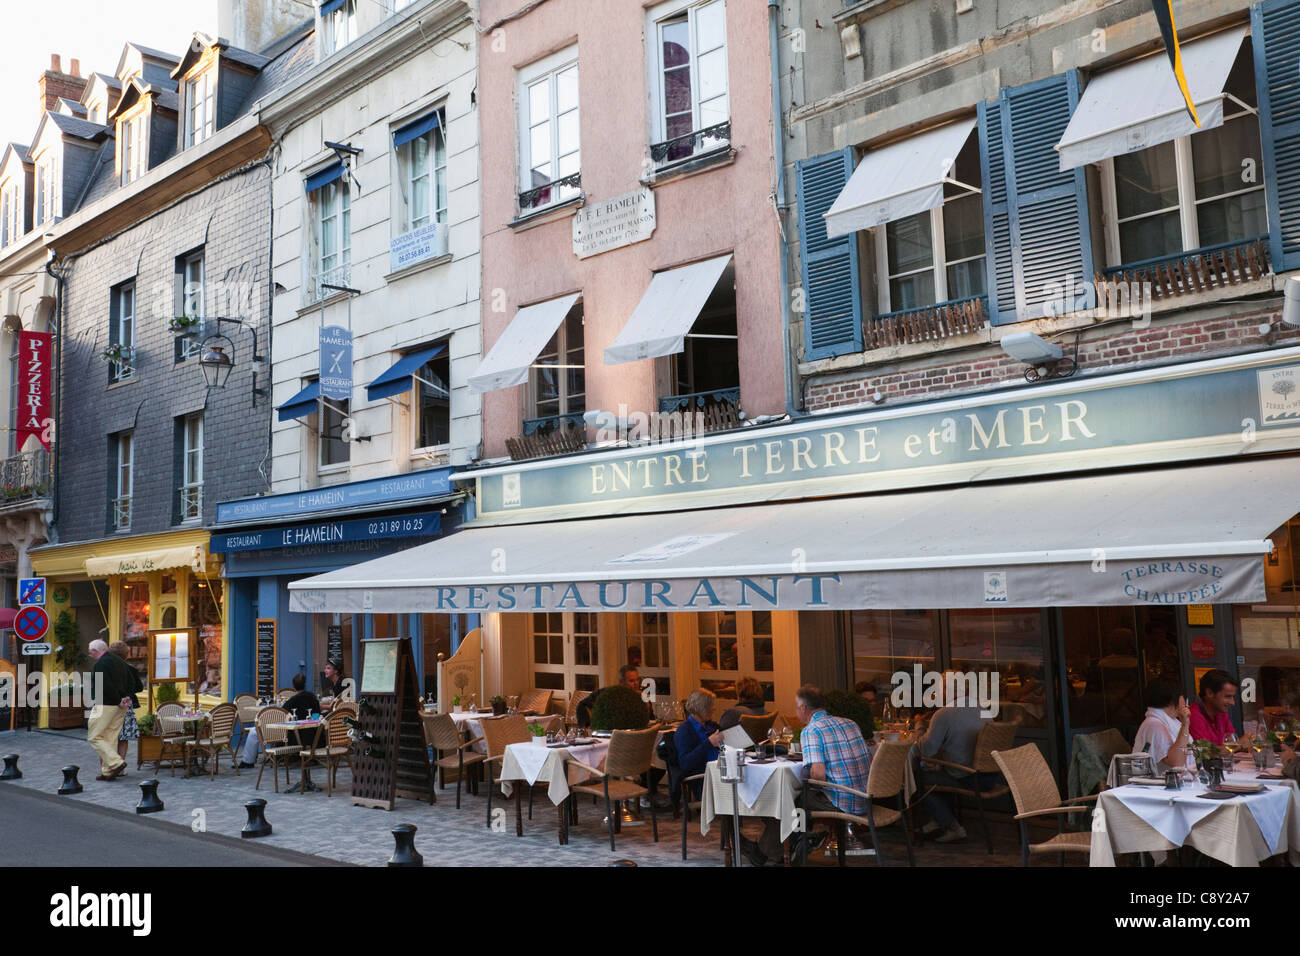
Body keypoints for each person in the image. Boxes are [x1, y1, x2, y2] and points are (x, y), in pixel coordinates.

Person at [746, 685, 871, 866]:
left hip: (842, 801)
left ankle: (770, 851)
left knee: (786, 797)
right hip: (864, 797)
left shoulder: (812, 730)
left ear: (804, 708)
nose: (796, 711)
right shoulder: (849, 722)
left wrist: (803, 779)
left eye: (797, 707)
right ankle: (796, 842)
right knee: (796, 795)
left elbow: (818, 775)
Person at [911, 673, 992, 843]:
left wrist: (920, 725)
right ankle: (939, 819)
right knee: (937, 772)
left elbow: (925, 750)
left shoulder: (944, 714)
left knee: (915, 779)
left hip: (967, 777)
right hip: (990, 776)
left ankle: (952, 827)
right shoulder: (982, 708)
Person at [87, 639, 141, 781]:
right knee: (110, 737)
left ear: (95, 651)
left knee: (94, 736)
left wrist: (118, 699)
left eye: (90, 652)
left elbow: (103, 684)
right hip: (121, 706)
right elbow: (132, 682)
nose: (89, 655)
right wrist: (126, 697)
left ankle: (115, 762)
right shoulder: (121, 663)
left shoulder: (101, 663)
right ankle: (108, 771)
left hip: (105, 704)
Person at [1132, 680, 1192, 772]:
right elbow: (1176, 762)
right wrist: (1185, 725)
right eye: (1182, 696)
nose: (1185, 702)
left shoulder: (1170, 721)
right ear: (1173, 699)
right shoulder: (1154, 725)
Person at [1189, 669, 1249, 747]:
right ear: (1210, 693)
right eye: (1228, 696)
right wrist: (1238, 744)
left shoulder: (1221, 713)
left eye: (1233, 697)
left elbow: (1231, 743)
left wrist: (1248, 743)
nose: (1232, 703)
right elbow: (1204, 753)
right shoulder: (1192, 715)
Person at [674, 688, 723, 782]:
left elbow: (725, 748)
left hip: (721, 771)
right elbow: (685, 763)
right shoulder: (684, 731)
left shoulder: (712, 726)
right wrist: (709, 743)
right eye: (710, 706)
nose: (713, 709)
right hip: (704, 778)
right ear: (700, 708)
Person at [108, 642, 140, 764]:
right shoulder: (130, 669)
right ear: (126, 654)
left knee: (109, 737)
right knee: (123, 737)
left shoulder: (106, 668)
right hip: (125, 705)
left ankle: (110, 764)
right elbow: (139, 687)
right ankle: (120, 764)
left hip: (108, 705)